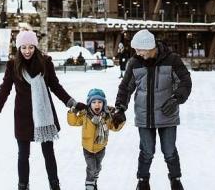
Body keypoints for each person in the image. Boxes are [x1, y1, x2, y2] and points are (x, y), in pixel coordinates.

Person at [0, 31, 86, 190]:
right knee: (23, 155)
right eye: (23, 47)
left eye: (31, 47)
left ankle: (54, 185)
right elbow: (5, 89)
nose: (27, 51)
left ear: (35, 47)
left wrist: (71, 102)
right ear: (18, 48)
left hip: (43, 115)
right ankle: (23, 186)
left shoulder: (45, 63)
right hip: (23, 117)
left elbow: (55, 86)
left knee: (48, 153)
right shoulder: (13, 65)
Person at [113, 29, 192, 190]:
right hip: (144, 116)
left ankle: (175, 180)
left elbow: (185, 81)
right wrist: (120, 108)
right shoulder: (135, 63)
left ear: (149, 47)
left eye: (139, 50)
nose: (137, 53)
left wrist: (177, 98)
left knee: (169, 151)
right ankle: (143, 181)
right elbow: (125, 88)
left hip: (167, 115)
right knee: (146, 151)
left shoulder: (172, 60)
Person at [68, 88, 125, 190]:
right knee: (91, 168)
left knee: (97, 167)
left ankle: (93, 181)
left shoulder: (107, 116)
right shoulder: (85, 115)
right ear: (90, 103)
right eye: (93, 102)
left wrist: (120, 120)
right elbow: (73, 122)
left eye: (100, 102)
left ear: (104, 103)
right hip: (87, 148)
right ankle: (89, 185)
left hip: (101, 148)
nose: (97, 105)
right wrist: (73, 111)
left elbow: (115, 127)